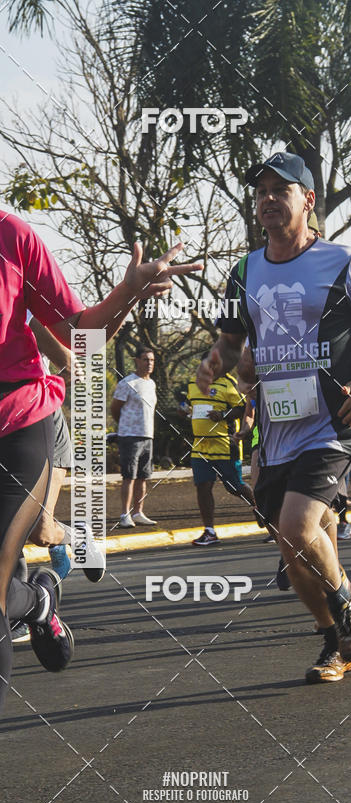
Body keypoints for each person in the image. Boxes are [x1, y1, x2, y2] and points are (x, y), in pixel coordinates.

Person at [197, 151, 351, 684]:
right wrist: (216, 358)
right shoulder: (244, 269)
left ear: (307, 201)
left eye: (280, 190)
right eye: (261, 190)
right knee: (294, 546)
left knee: (297, 526)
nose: (267, 199)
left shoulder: (343, 261)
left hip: (333, 420)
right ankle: (335, 640)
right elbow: (230, 338)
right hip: (276, 427)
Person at [0, 208, 201, 713]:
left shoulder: (12, 236)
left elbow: (78, 339)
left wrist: (128, 291)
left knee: (23, 550)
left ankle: (36, 589)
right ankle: (37, 600)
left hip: (20, 420)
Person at [183, 363, 255, 546]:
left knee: (234, 486)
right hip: (200, 445)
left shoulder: (228, 383)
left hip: (225, 445)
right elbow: (190, 406)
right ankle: (209, 531)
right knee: (202, 486)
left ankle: (262, 509)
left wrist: (222, 414)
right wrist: (184, 412)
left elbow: (242, 409)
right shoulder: (192, 383)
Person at [111, 346, 158, 528]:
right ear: (137, 360)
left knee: (143, 477)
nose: (149, 363)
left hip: (148, 435)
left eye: (152, 360)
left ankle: (138, 512)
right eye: (146, 359)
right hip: (130, 436)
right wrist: (124, 425)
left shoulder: (151, 384)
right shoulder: (128, 383)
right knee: (129, 476)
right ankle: (125, 514)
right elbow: (115, 408)